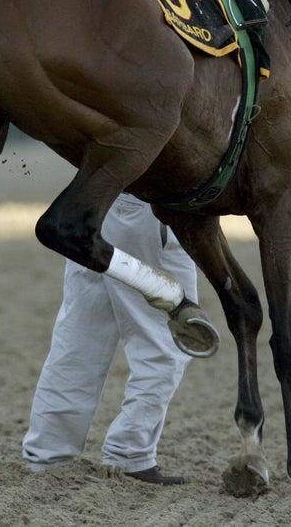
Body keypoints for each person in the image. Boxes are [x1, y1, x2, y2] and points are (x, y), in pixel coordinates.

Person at [22, 193, 198, 485]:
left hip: (92, 205)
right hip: (147, 206)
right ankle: (131, 453)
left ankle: (48, 454)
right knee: (165, 343)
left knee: (79, 339)